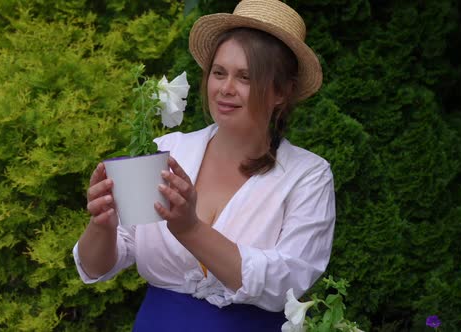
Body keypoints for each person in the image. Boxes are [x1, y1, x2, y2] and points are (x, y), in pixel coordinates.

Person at [73, 0, 336, 330]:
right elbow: (97, 268)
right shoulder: (168, 151)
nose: (225, 89)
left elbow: (289, 283)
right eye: (219, 72)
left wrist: (190, 229)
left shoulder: (307, 176)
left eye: (245, 77)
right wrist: (102, 223)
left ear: (280, 92)